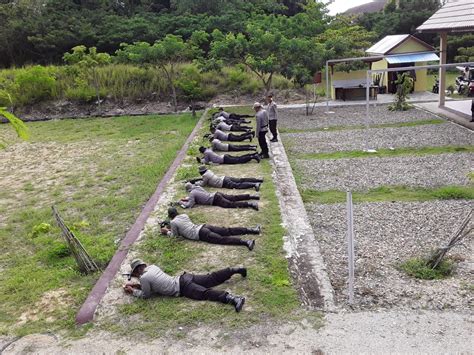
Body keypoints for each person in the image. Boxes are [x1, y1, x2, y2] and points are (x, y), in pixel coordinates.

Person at [123, 259, 246, 312]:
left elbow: (146, 295)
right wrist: (137, 284)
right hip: (184, 277)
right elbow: (153, 283)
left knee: (205, 293)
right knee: (211, 278)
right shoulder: (152, 267)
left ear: (136, 271)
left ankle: (233, 298)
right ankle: (234, 270)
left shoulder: (144, 278)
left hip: (182, 288)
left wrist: (132, 291)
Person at [161, 207, 259, 250]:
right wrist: (170, 226)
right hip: (204, 226)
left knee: (222, 239)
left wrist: (167, 231)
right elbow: (182, 225)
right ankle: (252, 229)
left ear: (170, 216)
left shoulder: (173, 222)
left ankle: (246, 242)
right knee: (227, 230)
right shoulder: (184, 215)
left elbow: (175, 236)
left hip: (201, 234)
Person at [178, 183, 259, 210]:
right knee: (234, 197)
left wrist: (181, 202)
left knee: (231, 204)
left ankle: (250, 204)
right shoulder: (197, 187)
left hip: (215, 200)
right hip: (216, 194)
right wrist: (187, 198)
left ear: (188, 190)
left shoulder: (192, 193)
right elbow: (201, 195)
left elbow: (190, 205)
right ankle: (252, 196)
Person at [188, 165, 263, 191]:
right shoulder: (208, 171)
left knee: (238, 185)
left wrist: (195, 183)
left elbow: (203, 184)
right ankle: (258, 180)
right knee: (240, 180)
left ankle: (254, 184)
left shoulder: (205, 176)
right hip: (224, 178)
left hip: (223, 182)